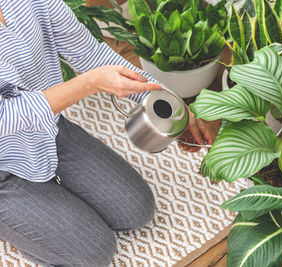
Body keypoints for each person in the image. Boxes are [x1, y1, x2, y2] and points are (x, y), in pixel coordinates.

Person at [0, 0, 219, 266]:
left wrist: (172, 104)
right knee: (94, 252)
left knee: (136, 209)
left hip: (48, 130)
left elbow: (90, 53)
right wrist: (90, 83)